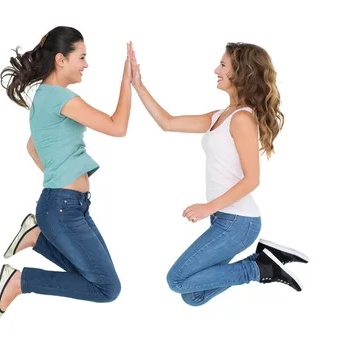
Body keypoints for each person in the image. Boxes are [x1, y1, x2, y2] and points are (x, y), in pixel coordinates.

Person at [128, 42, 309, 306]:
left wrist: (207, 207)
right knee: (193, 295)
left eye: (223, 65)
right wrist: (138, 85)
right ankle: (263, 259)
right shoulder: (219, 117)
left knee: (176, 280)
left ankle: (259, 269)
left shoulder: (242, 119)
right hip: (224, 219)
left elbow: (252, 179)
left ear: (242, 73)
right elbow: (167, 122)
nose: (216, 70)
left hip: (239, 221)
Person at [0, 26, 133, 322]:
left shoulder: (43, 98)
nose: (86, 64)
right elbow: (117, 127)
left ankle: (36, 237)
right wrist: (127, 81)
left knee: (96, 277)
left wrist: (58, 177)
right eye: (81, 57)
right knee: (107, 287)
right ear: (61, 60)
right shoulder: (61, 98)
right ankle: (20, 281)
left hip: (66, 205)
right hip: (63, 207)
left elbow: (33, 146)